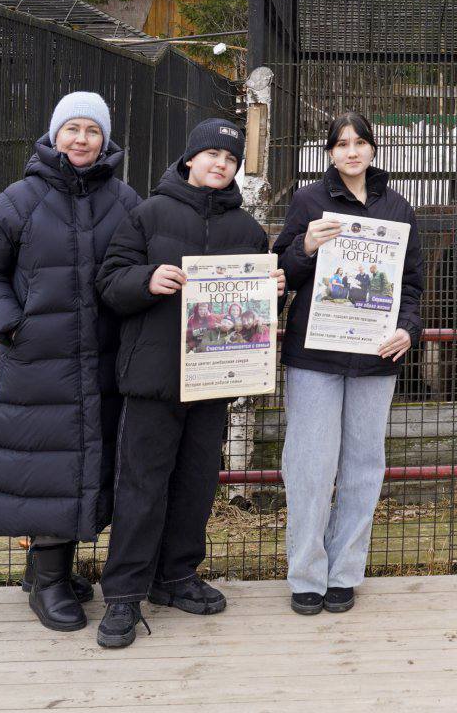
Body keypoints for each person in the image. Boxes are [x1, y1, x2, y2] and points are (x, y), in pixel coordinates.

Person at [94, 119, 284, 649]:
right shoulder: (147, 213)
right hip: (153, 380)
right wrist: (146, 279)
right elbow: (109, 282)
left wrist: (276, 287)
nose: (220, 164)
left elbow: (259, 312)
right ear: (189, 159)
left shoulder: (248, 230)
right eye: (211, 155)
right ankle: (125, 595)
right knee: (141, 488)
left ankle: (175, 577)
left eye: (230, 158)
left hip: (213, 380)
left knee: (197, 485)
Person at [0, 93, 142, 632]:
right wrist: (12, 322)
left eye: (92, 129)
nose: (82, 139)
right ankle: (48, 582)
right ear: (54, 135)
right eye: (72, 129)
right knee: (47, 464)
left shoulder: (126, 201)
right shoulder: (20, 199)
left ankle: (49, 568)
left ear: (105, 139)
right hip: (39, 360)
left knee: (90, 461)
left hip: (104, 358)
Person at [272, 112, 423, 616]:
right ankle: (307, 575)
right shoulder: (308, 202)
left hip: (375, 356)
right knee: (310, 466)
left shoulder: (398, 208)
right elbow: (281, 274)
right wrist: (306, 245)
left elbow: (412, 285)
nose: (351, 152)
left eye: (360, 143)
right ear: (330, 153)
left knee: (362, 466)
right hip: (314, 356)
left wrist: (408, 329)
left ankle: (344, 572)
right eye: (341, 144)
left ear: (373, 149)